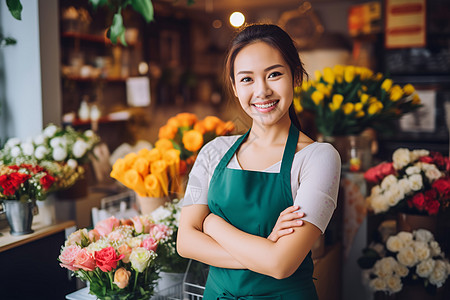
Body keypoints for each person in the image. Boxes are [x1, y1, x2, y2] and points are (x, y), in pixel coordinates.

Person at [177, 23, 341, 299]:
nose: (262, 90)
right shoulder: (213, 152)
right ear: (234, 86)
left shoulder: (318, 158)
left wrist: (211, 225)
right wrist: (265, 250)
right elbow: (185, 242)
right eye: (247, 79)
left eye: (274, 74)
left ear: (296, 76)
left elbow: (281, 264)